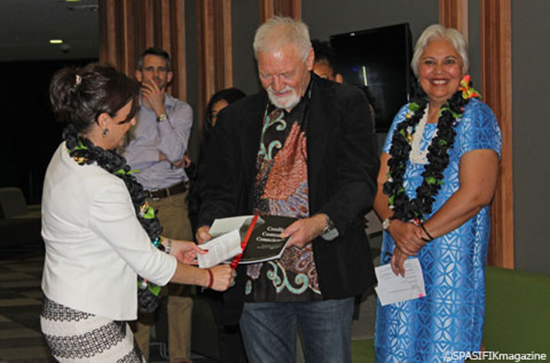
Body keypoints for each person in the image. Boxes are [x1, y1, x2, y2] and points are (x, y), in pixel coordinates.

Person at [196, 16, 379, 363]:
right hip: (256, 281)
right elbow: (217, 188)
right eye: (267, 74)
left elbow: (360, 181)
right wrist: (209, 224)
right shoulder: (237, 118)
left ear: (308, 60)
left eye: (286, 73)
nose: (276, 84)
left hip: (324, 277)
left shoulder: (346, 104)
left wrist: (321, 221)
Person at [40, 63, 233, 362]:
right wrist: (208, 277)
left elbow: (113, 236)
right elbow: (149, 264)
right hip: (85, 318)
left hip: (72, 306)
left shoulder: (68, 152)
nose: (132, 124)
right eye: (127, 117)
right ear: (104, 119)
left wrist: (170, 246)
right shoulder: (100, 184)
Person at [373, 24, 502, 362]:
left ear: (464, 69)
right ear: (418, 70)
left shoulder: (477, 117)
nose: (439, 71)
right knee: (396, 351)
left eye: (450, 61)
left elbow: (477, 193)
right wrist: (394, 226)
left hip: (450, 272)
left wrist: (420, 235)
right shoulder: (405, 117)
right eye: (430, 62)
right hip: (400, 262)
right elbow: (381, 184)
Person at [122, 47, 194, 362]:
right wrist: (164, 155)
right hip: (136, 206)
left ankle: (180, 358)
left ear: (169, 75)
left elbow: (178, 148)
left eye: (161, 70)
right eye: (149, 69)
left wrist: (160, 112)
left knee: (181, 290)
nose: (155, 75)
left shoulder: (182, 111)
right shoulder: (124, 110)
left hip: (173, 201)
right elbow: (125, 160)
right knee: (141, 288)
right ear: (138, 75)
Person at [189, 88, 248, 363]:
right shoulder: (208, 151)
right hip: (217, 244)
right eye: (214, 116)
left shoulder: (257, 149)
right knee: (224, 324)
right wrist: (203, 227)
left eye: (226, 114)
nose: (219, 121)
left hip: (249, 247)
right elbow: (202, 198)